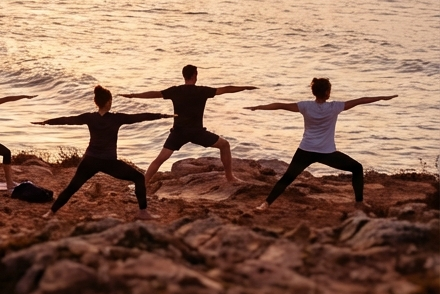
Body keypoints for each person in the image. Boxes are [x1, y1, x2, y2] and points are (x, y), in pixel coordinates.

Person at [249, 78, 395, 211]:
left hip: (305, 150)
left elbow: (280, 105)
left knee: (287, 178)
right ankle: (359, 203)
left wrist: (259, 107)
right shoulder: (335, 107)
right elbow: (361, 100)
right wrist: (382, 98)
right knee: (357, 168)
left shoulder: (305, 106)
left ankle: (265, 204)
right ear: (326, 92)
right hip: (327, 153)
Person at [35, 85, 171, 220]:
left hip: (90, 160)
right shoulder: (116, 118)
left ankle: (51, 213)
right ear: (108, 102)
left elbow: (68, 120)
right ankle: (143, 212)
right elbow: (138, 117)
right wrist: (161, 115)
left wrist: (47, 122)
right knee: (139, 178)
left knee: (72, 187)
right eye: (111, 100)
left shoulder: (90, 117)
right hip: (109, 162)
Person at [121, 64, 258, 183]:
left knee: (159, 159)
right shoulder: (202, 91)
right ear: (195, 75)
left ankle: (143, 184)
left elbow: (154, 94)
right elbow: (225, 89)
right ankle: (229, 177)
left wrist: (133, 95)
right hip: (197, 132)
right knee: (224, 145)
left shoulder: (175, 91)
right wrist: (244, 87)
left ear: (184, 76)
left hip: (178, 132)